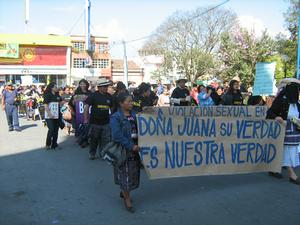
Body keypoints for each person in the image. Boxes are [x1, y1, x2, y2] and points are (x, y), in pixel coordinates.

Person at [110, 92, 140, 213]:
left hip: (136, 149)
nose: (131, 103)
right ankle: (127, 199)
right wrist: (130, 146)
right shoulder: (115, 117)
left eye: (131, 101)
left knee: (133, 173)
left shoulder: (135, 115)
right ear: (121, 103)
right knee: (125, 174)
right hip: (124, 150)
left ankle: (124, 191)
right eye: (128, 101)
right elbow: (116, 136)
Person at [267, 82, 300, 185]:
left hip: (294, 132)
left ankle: (274, 168)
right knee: (287, 151)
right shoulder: (281, 100)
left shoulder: (297, 104)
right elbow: (270, 113)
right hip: (282, 131)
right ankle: (291, 174)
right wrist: (277, 117)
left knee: (285, 151)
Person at [84, 77, 113, 160]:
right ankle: (92, 153)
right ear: (99, 87)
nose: (106, 88)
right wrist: (85, 119)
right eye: (104, 86)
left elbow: (112, 108)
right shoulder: (93, 96)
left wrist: (112, 119)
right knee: (94, 139)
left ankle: (103, 153)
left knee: (105, 140)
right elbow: (86, 107)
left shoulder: (109, 97)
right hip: (95, 122)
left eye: (107, 86)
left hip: (106, 122)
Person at [43, 83, 62, 150]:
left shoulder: (57, 95)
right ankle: (48, 144)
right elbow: (45, 105)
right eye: (55, 87)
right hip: (49, 116)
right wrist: (49, 113)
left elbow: (60, 102)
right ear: (51, 88)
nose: (57, 88)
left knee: (56, 130)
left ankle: (54, 144)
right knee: (51, 129)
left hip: (57, 115)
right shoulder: (48, 95)